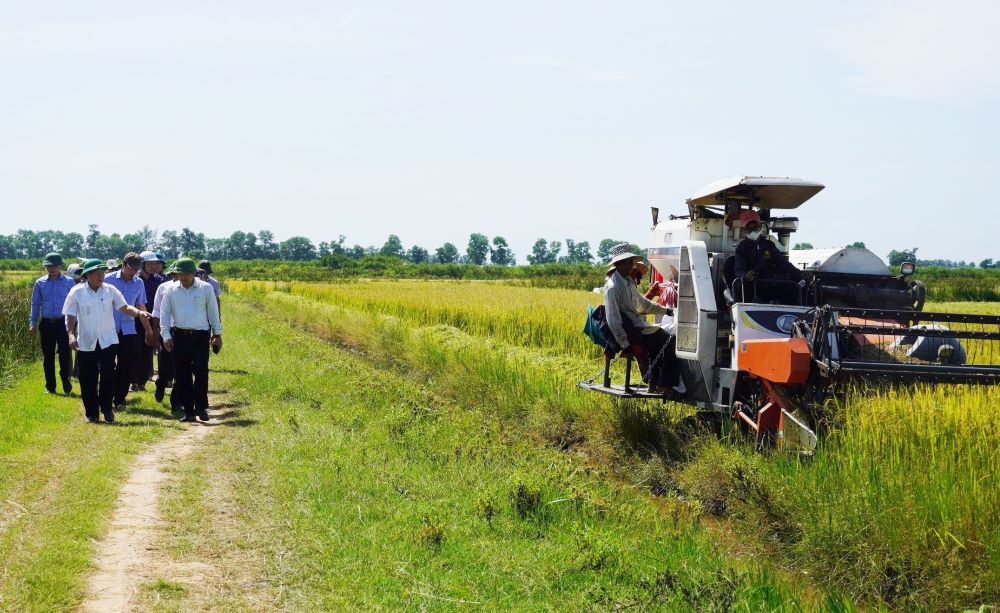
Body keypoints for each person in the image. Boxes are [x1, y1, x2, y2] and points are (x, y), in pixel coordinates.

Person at [63, 259, 152, 423]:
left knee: (108, 376)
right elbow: (70, 315)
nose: (101, 275)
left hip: (108, 341)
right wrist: (70, 334)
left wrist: (139, 314)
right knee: (87, 378)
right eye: (97, 273)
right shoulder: (76, 292)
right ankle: (92, 412)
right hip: (86, 341)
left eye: (103, 272)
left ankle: (107, 408)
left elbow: (125, 307)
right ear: (87, 275)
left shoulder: (110, 290)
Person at [602, 244, 684, 395]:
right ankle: (666, 385)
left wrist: (665, 310)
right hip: (632, 330)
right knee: (671, 341)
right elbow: (613, 320)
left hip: (637, 325)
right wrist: (625, 345)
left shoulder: (627, 281)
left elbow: (642, 304)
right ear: (618, 264)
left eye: (631, 262)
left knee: (657, 346)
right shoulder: (612, 287)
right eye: (628, 262)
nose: (631, 266)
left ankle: (654, 384)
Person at [160, 258, 222, 423]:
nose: (184, 277)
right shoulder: (171, 290)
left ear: (194, 273)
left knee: (201, 371)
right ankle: (189, 411)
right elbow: (164, 315)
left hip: (200, 335)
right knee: (182, 375)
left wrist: (217, 334)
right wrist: (165, 336)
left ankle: (201, 408)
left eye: (187, 273)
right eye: (180, 273)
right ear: (176, 273)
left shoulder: (205, 288)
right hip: (179, 335)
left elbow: (213, 312)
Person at [104, 252, 155, 408]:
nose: (133, 272)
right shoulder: (108, 280)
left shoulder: (138, 283)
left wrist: (148, 329)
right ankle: (107, 395)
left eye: (136, 269)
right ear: (123, 264)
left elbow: (141, 306)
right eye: (131, 268)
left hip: (128, 329)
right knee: (107, 364)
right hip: (108, 328)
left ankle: (120, 398)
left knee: (125, 364)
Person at [29, 252, 76, 394]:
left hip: (64, 323)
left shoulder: (69, 282)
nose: (51, 268)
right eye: (48, 266)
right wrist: (32, 323)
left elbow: (75, 304)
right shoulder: (40, 282)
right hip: (46, 323)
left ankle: (65, 379)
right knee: (48, 356)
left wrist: (74, 325)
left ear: (60, 265)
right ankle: (50, 386)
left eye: (54, 265)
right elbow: (35, 304)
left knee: (64, 355)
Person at [733, 211, 804, 304]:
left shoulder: (769, 245)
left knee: (791, 286)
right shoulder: (741, 248)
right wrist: (746, 275)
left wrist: (800, 275)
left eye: (755, 227)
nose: (753, 231)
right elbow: (739, 270)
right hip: (752, 287)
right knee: (744, 287)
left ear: (760, 227)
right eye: (749, 229)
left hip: (770, 284)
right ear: (743, 230)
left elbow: (783, 263)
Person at [138, 250, 168, 384]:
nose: (152, 266)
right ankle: (137, 378)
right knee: (137, 348)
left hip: (155, 316)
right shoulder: (136, 279)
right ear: (142, 264)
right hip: (138, 316)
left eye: (155, 264)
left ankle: (147, 377)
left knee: (152, 347)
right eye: (149, 264)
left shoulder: (160, 281)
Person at [151, 267, 179, 407]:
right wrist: (155, 332)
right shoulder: (163, 288)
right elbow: (156, 311)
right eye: (178, 273)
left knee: (181, 366)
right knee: (165, 365)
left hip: (183, 331)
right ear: (173, 274)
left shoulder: (197, 288)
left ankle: (177, 401)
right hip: (166, 331)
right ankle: (160, 385)